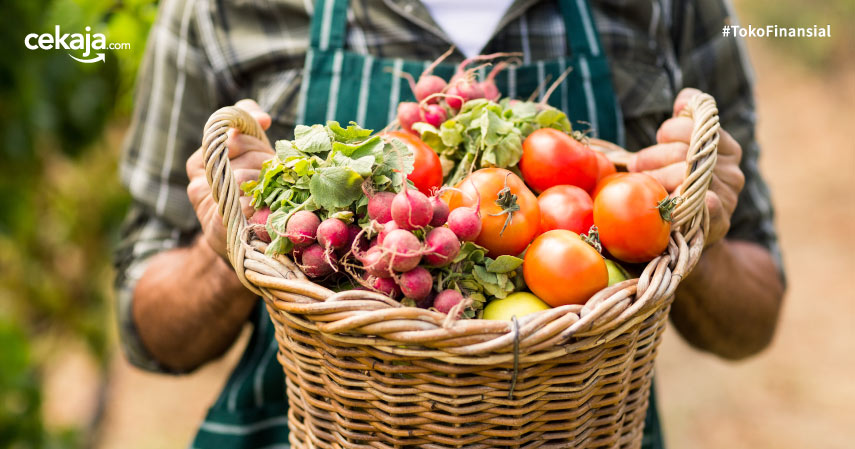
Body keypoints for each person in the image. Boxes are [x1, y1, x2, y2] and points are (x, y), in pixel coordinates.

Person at [113, 0, 786, 448]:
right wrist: (234, 237)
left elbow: (752, 319)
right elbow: (149, 333)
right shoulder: (222, 9)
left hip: (579, 424)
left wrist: (695, 228)